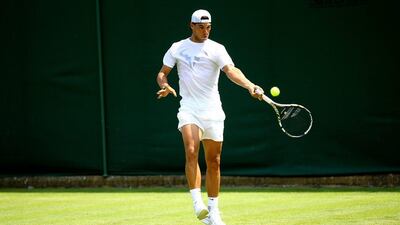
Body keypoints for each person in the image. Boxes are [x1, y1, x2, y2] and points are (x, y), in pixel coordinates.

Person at [156, 9, 264, 225]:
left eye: (209, 27)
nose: (206, 31)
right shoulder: (177, 48)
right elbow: (162, 73)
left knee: (214, 162)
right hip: (189, 108)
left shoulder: (217, 49)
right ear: (192, 25)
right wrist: (165, 85)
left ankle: (214, 212)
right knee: (191, 150)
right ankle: (198, 204)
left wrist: (250, 86)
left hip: (213, 111)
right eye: (201, 27)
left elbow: (231, 70)